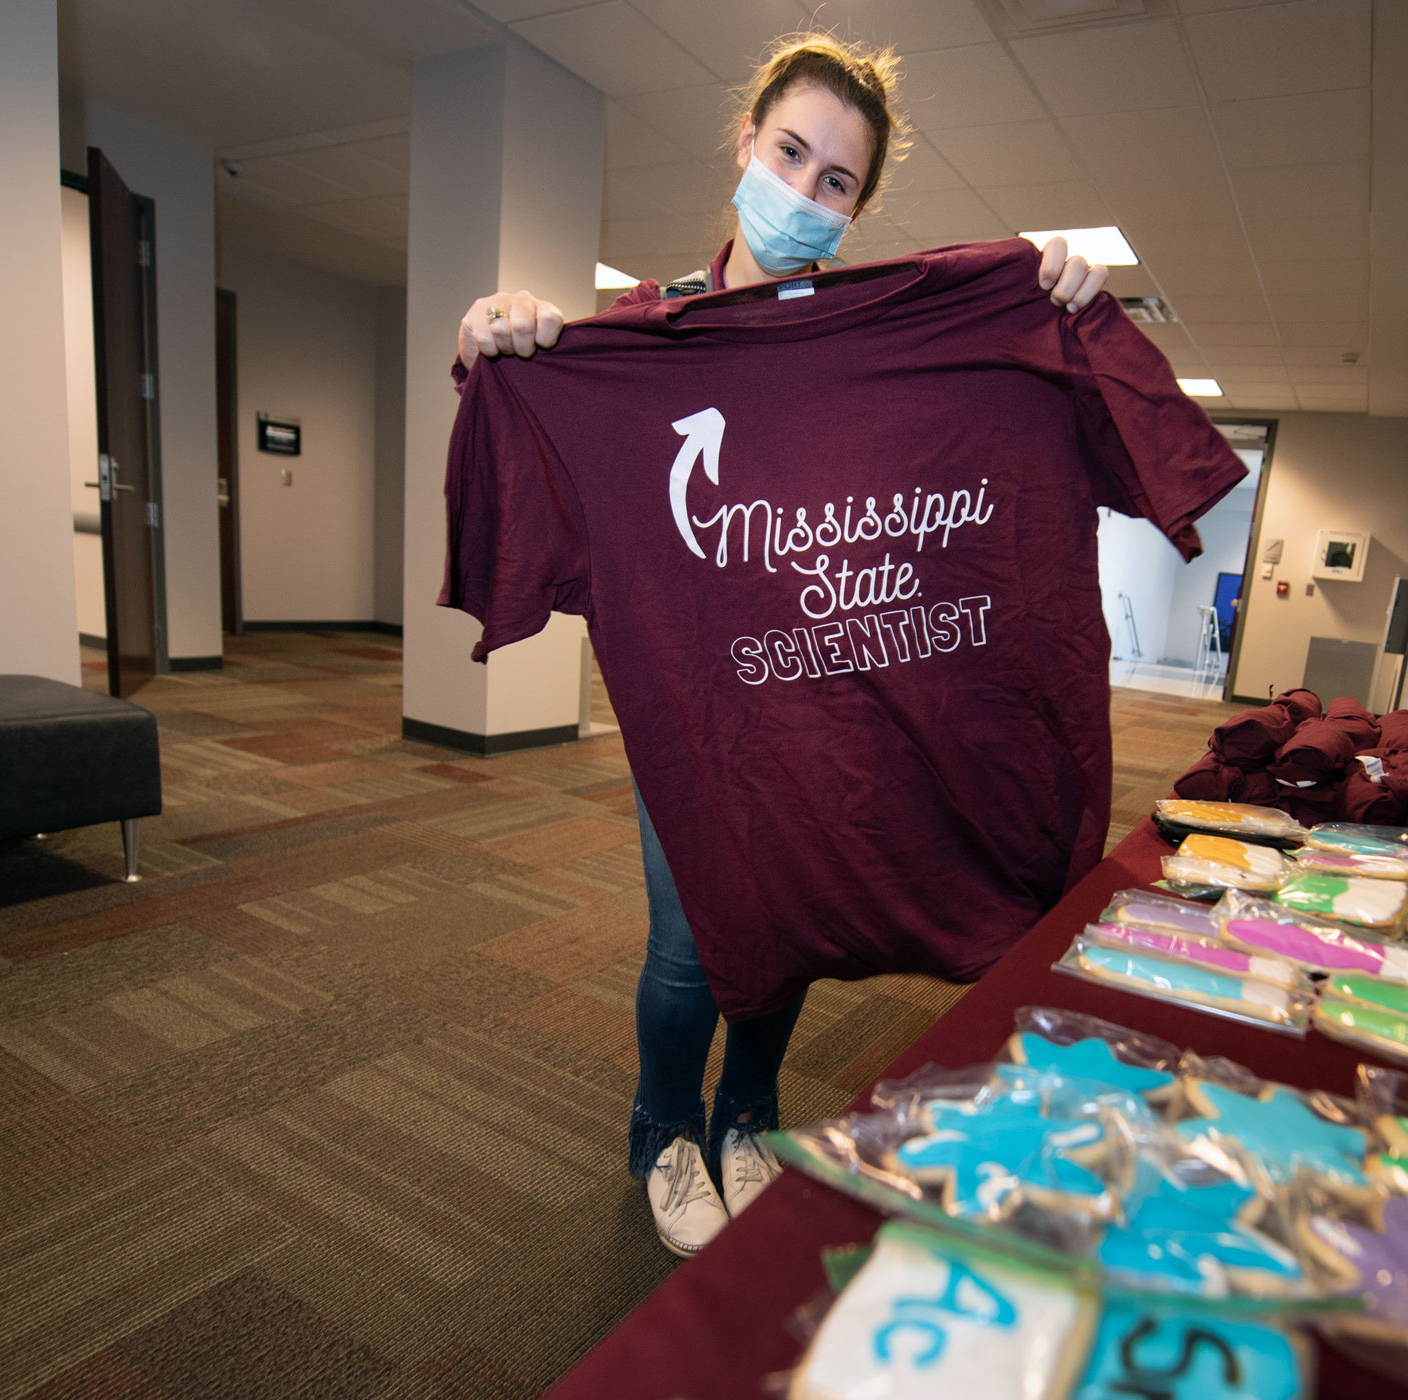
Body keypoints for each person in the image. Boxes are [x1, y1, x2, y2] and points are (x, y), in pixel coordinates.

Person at [449, 34, 1108, 1259]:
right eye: (791, 153)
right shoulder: (654, 333)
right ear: (745, 144)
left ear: (860, 207)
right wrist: (512, 333)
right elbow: (559, 423)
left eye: (837, 182)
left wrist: (1048, 288)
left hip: (823, 689)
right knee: (696, 936)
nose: (804, 194)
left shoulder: (867, 343)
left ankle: (747, 1114)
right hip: (697, 697)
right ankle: (662, 1130)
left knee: (794, 906)